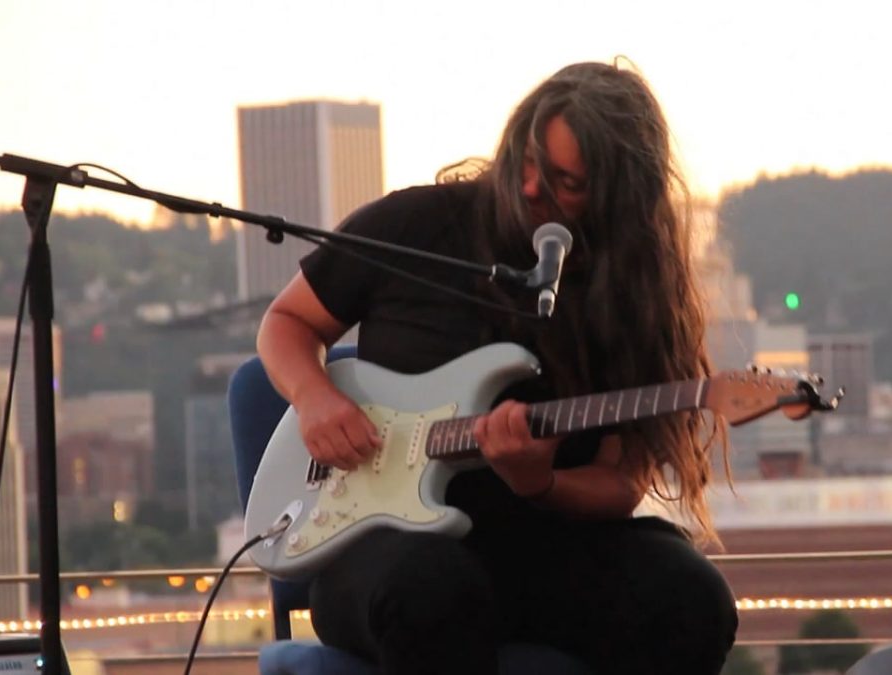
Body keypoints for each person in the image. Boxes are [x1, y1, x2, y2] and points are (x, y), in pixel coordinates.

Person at [256, 61, 739, 674]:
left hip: (548, 549)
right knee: (434, 593)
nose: (534, 187)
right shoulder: (416, 224)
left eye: (566, 181)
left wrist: (541, 483)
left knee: (690, 600)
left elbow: (620, 485)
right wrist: (314, 396)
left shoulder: (636, 297)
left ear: (618, 197)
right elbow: (287, 323)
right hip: (384, 548)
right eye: (528, 161)